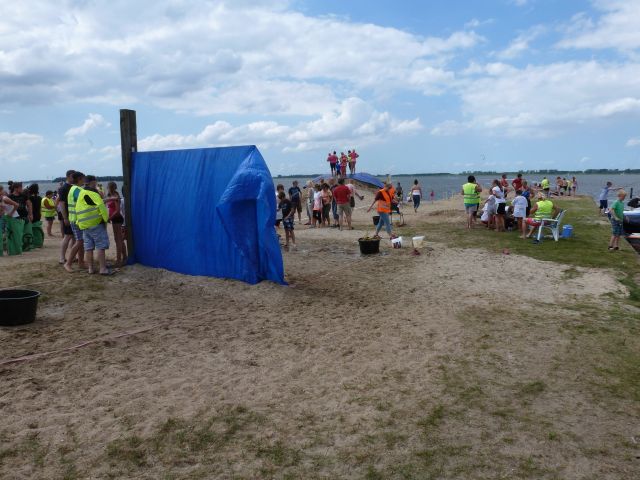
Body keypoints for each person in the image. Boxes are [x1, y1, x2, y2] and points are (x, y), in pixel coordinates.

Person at [75, 185, 112, 275]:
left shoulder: (80, 196)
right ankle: (103, 269)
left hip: (84, 226)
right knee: (100, 246)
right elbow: (101, 206)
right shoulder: (93, 194)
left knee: (88, 248)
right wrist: (106, 219)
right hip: (96, 225)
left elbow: (77, 211)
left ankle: (90, 269)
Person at [64, 171, 86, 273]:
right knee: (79, 241)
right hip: (77, 220)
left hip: (76, 219)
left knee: (81, 242)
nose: (85, 180)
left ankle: (81, 262)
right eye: (83, 178)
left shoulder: (73, 188)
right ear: (80, 179)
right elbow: (86, 202)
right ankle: (68, 263)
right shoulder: (78, 190)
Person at [105, 182, 126, 267]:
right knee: (119, 239)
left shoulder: (115, 196)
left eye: (108, 187)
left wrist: (109, 218)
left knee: (118, 240)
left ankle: (118, 261)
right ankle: (124, 257)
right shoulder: (112, 196)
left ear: (110, 187)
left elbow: (117, 211)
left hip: (117, 219)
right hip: (115, 219)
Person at [58, 169, 76, 264]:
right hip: (68, 215)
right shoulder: (64, 188)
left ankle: (72, 256)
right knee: (68, 236)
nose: (74, 178)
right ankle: (62, 257)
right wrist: (65, 217)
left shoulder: (73, 187)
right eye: (73, 176)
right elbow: (61, 203)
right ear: (68, 177)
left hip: (73, 215)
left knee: (74, 237)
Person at [0, 185, 19, 256]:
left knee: (11, 233)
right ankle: (6, 248)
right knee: (4, 232)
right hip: (5, 217)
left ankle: (13, 249)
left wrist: (11, 213)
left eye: (2, 190)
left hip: (13, 216)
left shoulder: (5, 198)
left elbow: (16, 205)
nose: (3, 191)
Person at [27, 184, 44, 248]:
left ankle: (33, 242)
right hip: (38, 214)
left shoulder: (29, 198)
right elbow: (40, 208)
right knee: (37, 229)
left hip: (32, 214)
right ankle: (39, 242)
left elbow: (29, 207)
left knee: (31, 229)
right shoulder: (39, 198)